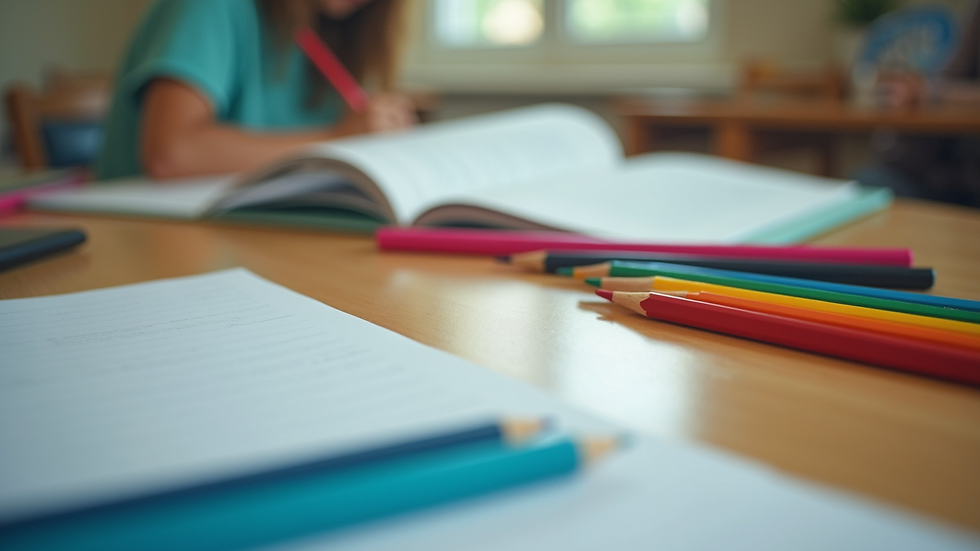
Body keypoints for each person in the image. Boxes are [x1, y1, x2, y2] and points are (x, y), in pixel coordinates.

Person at [96, 0, 414, 180]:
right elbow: (173, 154)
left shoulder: (343, 31)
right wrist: (335, 141)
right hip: (140, 238)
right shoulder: (208, 8)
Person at [855, 1, 980, 207]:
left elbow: (932, 90)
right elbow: (949, 75)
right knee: (869, 183)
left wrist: (928, 93)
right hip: (945, 171)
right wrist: (915, 90)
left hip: (968, 177)